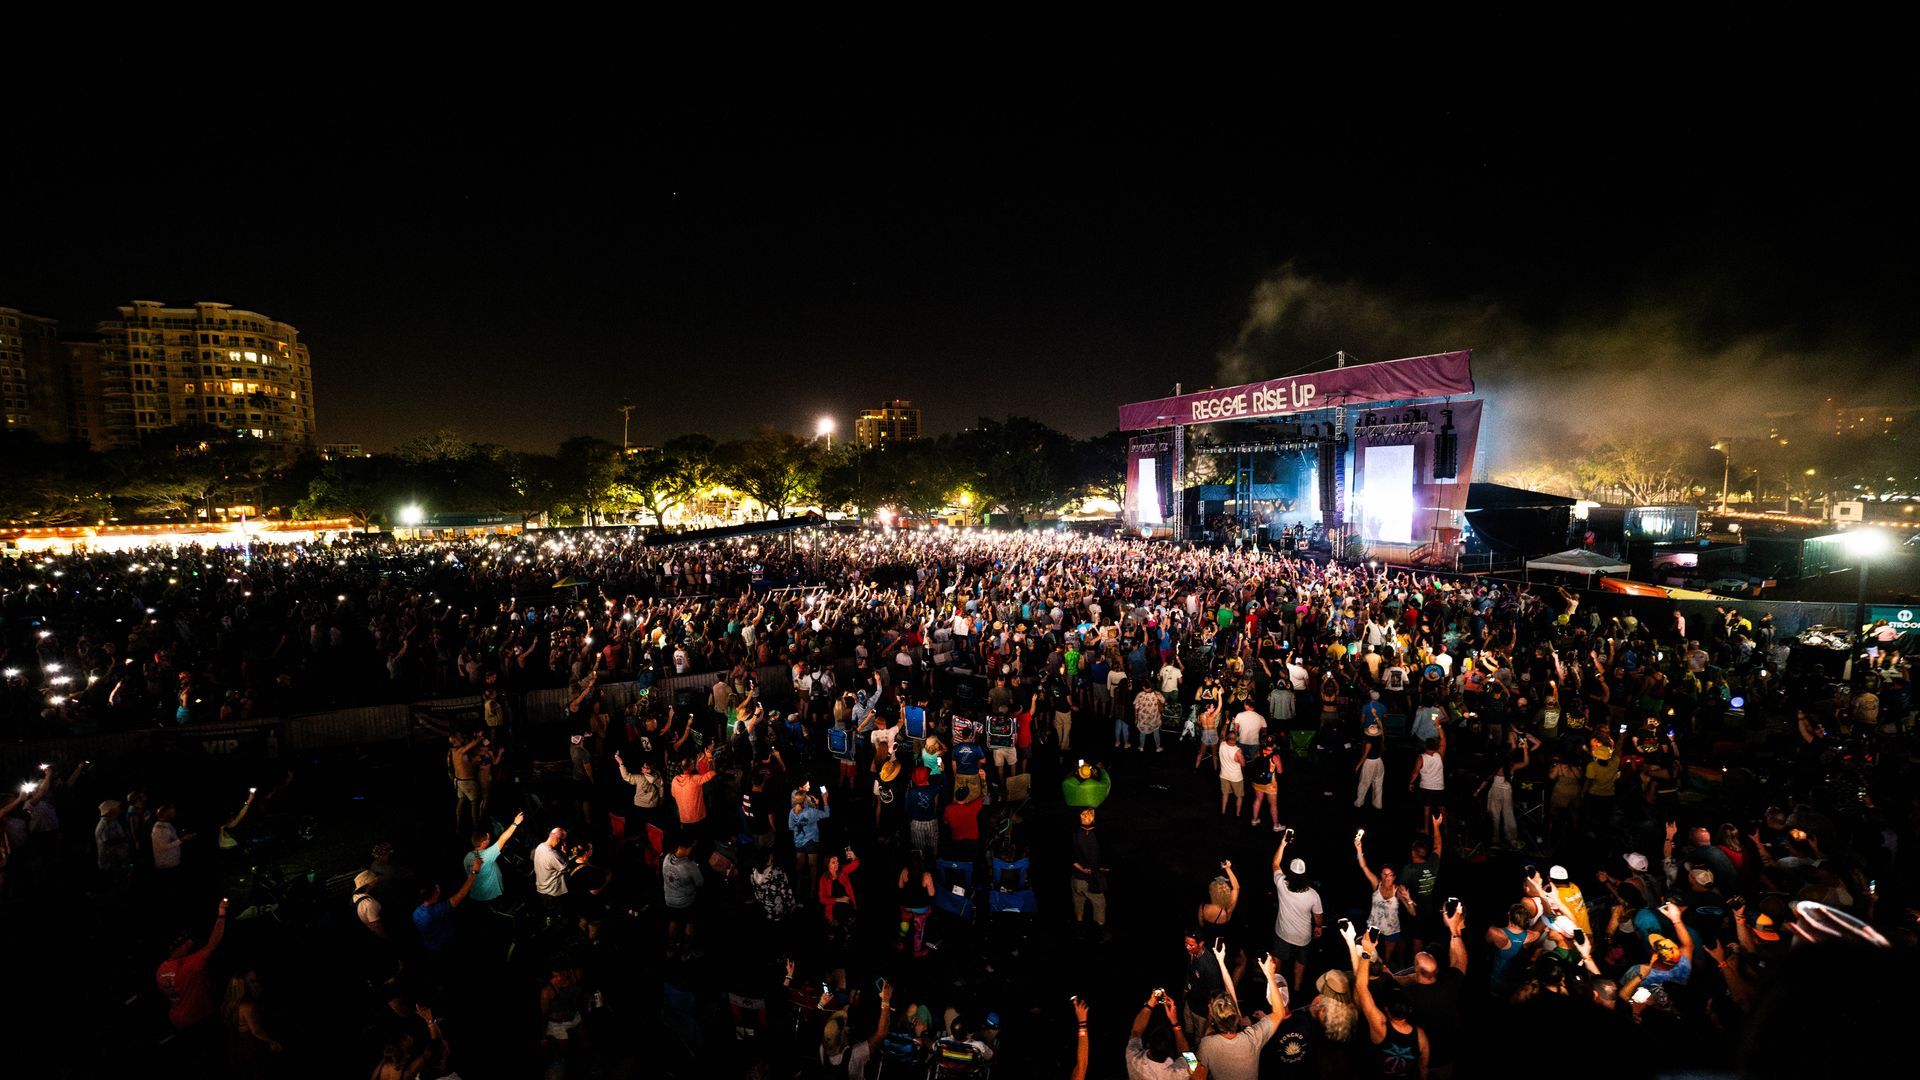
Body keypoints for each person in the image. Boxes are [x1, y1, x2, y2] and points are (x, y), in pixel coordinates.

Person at [1343, 923, 1428, 1079]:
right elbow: (1423, 1068)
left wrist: (1364, 948)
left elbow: (1361, 987)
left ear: (1387, 1010)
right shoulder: (1420, 1036)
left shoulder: (1380, 1025)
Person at [1196, 944, 1285, 1080]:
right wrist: (1270, 975)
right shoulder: (1251, 1038)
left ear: (1214, 1018)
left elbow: (1198, 1076)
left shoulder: (1207, 1045)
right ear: (1236, 1016)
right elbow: (1279, 1013)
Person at [157, 899, 229, 1045]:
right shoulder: (191, 964)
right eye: (185, 939)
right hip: (197, 1019)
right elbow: (213, 943)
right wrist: (222, 914)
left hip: (178, 1020)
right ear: (180, 945)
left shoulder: (161, 969)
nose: (190, 940)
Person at [1355, 832, 1417, 969]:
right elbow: (1364, 867)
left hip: (1391, 930)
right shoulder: (1376, 884)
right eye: (1384, 874)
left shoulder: (1398, 890)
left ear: (1394, 876)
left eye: (1389, 875)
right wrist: (1359, 849)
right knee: (1370, 957)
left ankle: (1384, 980)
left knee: (1385, 961)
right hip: (1374, 927)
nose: (1386, 877)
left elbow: (1413, 913)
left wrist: (1409, 900)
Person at [1271, 830, 1323, 994]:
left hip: (1283, 933)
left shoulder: (1281, 883)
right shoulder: (1313, 895)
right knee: (1300, 963)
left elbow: (1275, 864)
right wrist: (1318, 927)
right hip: (1303, 937)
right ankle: (1297, 989)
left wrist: (1282, 844)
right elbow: (1318, 917)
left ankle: (1279, 991)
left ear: (1291, 873)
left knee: (1278, 960)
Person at [221, 969, 283, 1074]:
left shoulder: (230, 1004)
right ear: (243, 984)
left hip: (237, 1045)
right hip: (250, 1046)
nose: (257, 984)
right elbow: (256, 1031)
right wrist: (272, 1041)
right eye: (252, 981)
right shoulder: (248, 1006)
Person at [464, 809, 525, 906]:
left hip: (476, 894)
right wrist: (515, 823)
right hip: (490, 896)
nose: (489, 839)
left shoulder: (468, 856)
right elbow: (503, 839)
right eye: (487, 839)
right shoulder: (486, 855)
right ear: (483, 843)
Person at [1126, 990, 1192, 1079]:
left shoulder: (1133, 1059)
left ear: (1148, 1044)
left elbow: (1136, 1032)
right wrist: (1174, 1021)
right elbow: (1186, 1053)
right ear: (1170, 1051)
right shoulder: (1181, 1073)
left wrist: (1150, 1004)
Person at [1070, 807, 1110, 941]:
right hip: (1087, 879)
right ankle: (1100, 932)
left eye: (1090, 814)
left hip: (1078, 879)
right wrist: (1084, 869)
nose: (1087, 816)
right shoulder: (1080, 834)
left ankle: (1080, 930)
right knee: (1099, 904)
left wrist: (1100, 867)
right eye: (1084, 814)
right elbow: (1072, 857)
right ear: (1079, 816)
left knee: (1078, 901)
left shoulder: (1089, 833)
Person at [1198, 859, 1240, 931]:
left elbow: (1201, 923)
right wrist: (1228, 868)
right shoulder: (1227, 910)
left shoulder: (1203, 906)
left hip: (1206, 938)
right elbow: (1236, 888)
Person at [1355, 723, 1386, 810]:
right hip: (1379, 762)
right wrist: (1377, 718)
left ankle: (1359, 802)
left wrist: (1358, 765)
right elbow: (1381, 727)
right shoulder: (1380, 741)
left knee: (1364, 783)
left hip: (1370, 763)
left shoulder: (1368, 743)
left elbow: (1365, 756)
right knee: (1378, 783)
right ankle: (1378, 803)